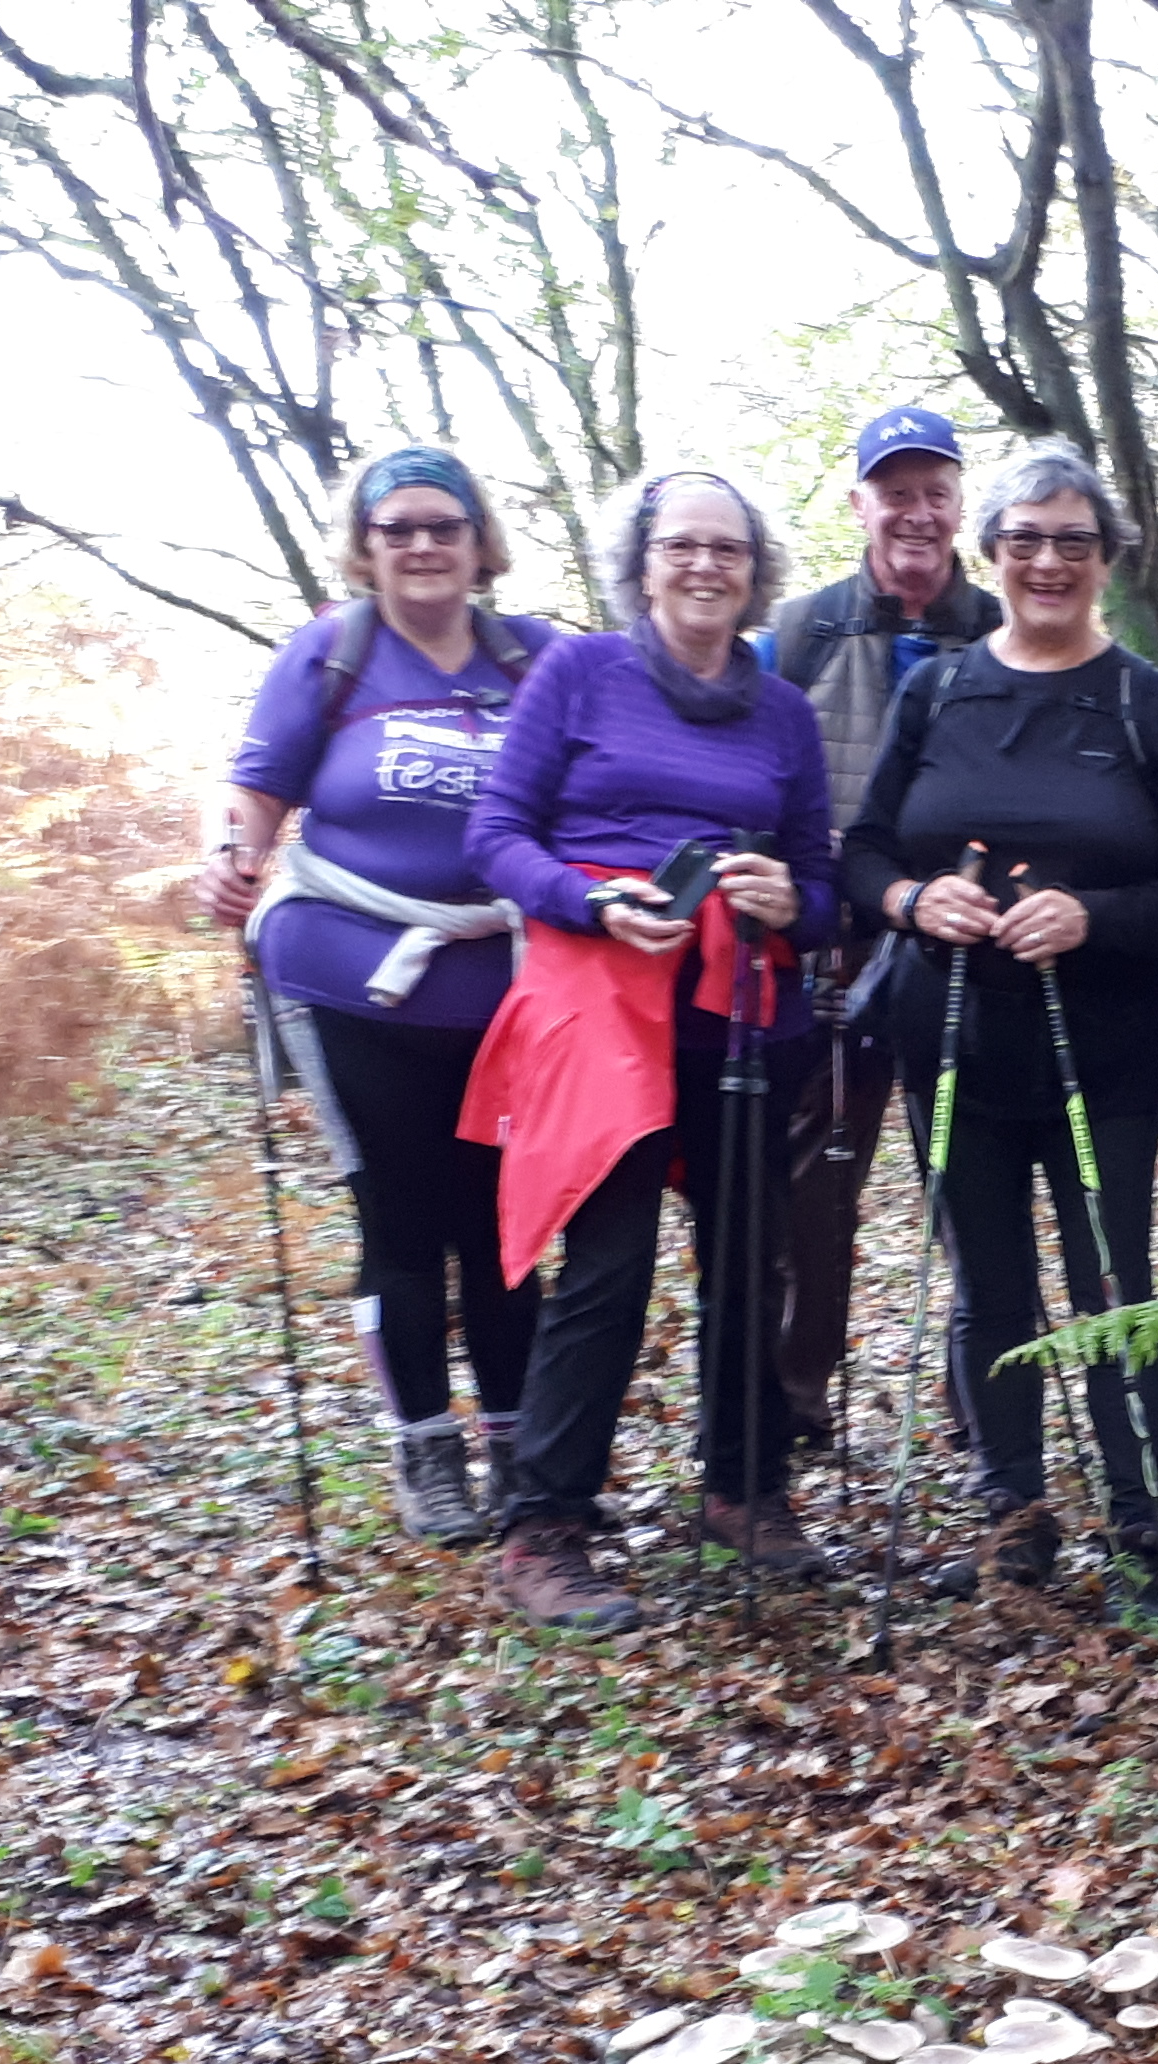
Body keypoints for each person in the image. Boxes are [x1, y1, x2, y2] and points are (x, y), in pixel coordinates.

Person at [843, 446, 1158, 1629]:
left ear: (1107, 557)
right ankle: (1012, 1518)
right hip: (952, 1036)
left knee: (1111, 1284)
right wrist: (916, 903)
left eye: (1074, 540)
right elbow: (863, 853)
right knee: (988, 1291)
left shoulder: (1146, 702)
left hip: (1104, 1051)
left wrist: (1095, 915)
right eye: (1026, 538)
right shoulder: (938, 689)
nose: (1049, 561)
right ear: (992, 553)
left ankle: (1139, 1531)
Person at [458, 469, 839, 1632]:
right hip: (603, 997)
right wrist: (588, 901)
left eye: (728, 549)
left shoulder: (782, 711)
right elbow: (495, 836)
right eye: (683, 546)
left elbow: (821, 887)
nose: (706, 566)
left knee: (745, 1255)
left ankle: (744, 1488)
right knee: (611, 1258)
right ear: (643, 560)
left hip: (736, 1002)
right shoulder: (580, 674)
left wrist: (790, 897)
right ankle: (546, 1527)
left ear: (755, 569)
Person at [205, 446, 557, 1542]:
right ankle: (424, 1454)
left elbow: (600, 781)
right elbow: (254, 794)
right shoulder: (331, 655)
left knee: (504, 1227)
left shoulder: (535, 656)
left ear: (478, 539)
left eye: (440, 525)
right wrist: (227, 859)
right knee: (400, 1222)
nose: (419, 545)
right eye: (396, 527)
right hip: (355, 976)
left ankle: (517, 1445)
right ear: (364, 546)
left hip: (508, 985)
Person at [765, 407, 1001, 1460]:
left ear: (960, 504)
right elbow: (754, 778)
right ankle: (796, 1397)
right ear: (858, 502)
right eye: (893, 490)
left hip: (969, 957)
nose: (915, 511)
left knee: (974, 1186)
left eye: (934, 490)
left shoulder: (1003, 628)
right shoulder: (802, 632)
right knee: (817, 1191)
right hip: (834, 958)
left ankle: (988, 1405)